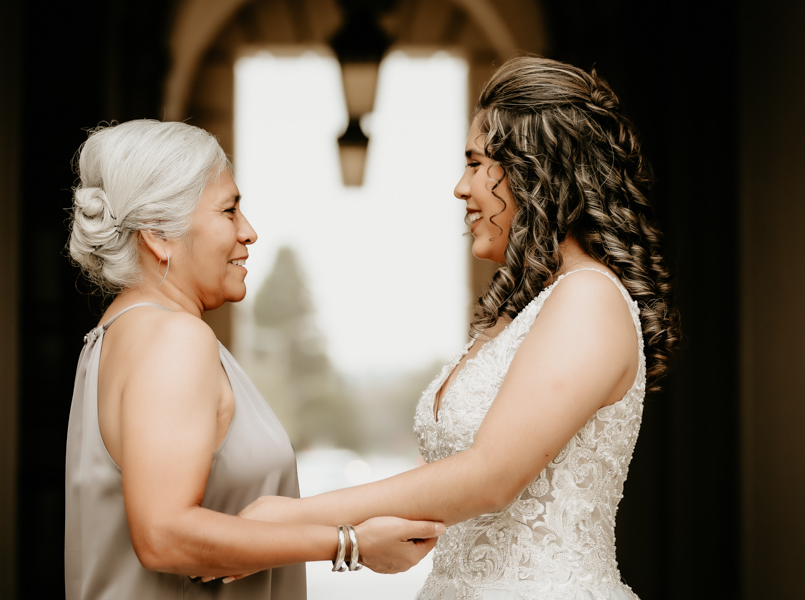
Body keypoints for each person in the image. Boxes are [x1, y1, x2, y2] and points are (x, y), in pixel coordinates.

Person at [240, 56, 680, 600]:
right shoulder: (524, 311)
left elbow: (489, 476)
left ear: (532, 168)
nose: (459, 188)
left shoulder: (589, 298)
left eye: (475, 163)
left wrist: (295, 517)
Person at [63, 119, 443, 600]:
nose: (249, 232)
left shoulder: (115, 335)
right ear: (158, 234)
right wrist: (350, 545)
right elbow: (163, 536)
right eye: (229, 210)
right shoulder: (173, 339)